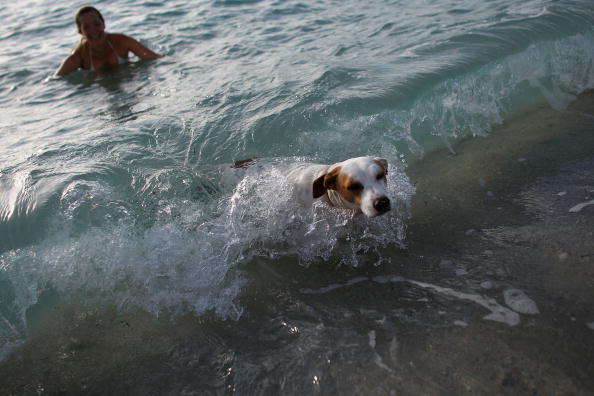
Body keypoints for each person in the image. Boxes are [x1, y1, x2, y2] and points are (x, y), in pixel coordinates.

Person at [55, 6, 161, 76]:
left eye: (97, 24)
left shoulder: (122, 42)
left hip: (128, 84)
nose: (93, 30)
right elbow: (55, 80)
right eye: (86, 27)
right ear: (80, 31)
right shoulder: (79, 57)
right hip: (99, 96)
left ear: (104, 24)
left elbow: (156, 58)